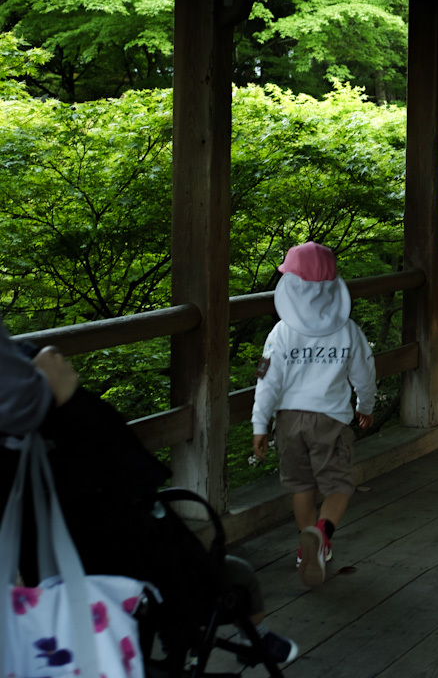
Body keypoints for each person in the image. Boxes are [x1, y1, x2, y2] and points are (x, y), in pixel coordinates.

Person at [0, 321, 300, 667]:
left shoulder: (25, 472)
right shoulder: (88, 444)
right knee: (238, 575)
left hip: (56, 587)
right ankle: (255, 639)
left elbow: (267, 379)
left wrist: (260, 423)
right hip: (142, 587)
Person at [252, 241, 376, 589]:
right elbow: (365, 372)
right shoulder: (347, 330)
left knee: (301, 486)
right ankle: (322, 535)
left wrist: (260, 425)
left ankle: (306, 546)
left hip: (289, 420)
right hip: (331, 420)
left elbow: (266, 381)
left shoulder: (280, 333)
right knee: (339, 485)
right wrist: (364, 406)